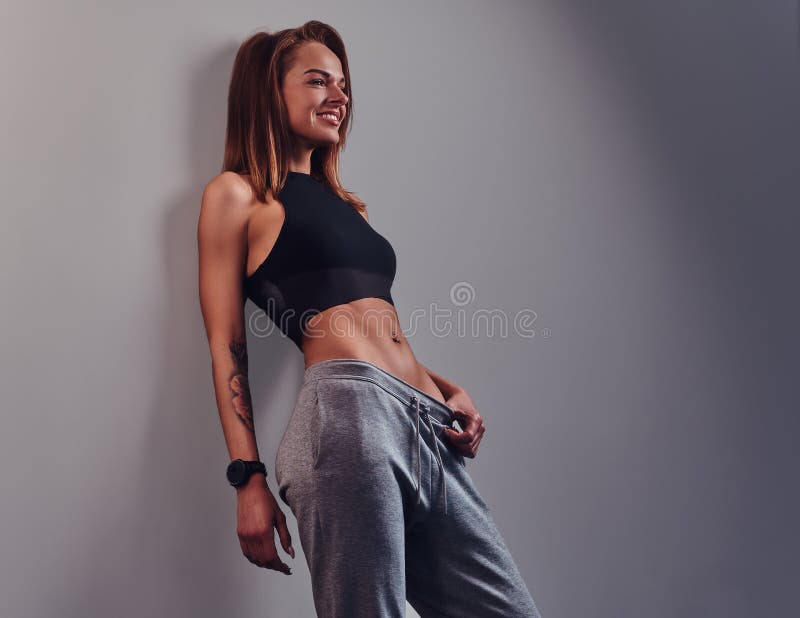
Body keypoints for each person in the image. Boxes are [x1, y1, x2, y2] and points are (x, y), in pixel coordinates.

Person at [197, 20, 543, 618]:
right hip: (348, 415)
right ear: (268, 92)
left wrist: (441, 386)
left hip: (426, 424)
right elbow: (226, 344)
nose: (339, 95)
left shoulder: (345, 206)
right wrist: (246, 476)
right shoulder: (239, 195)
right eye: (317, 81)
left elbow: (362, 319)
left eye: (343, 84)